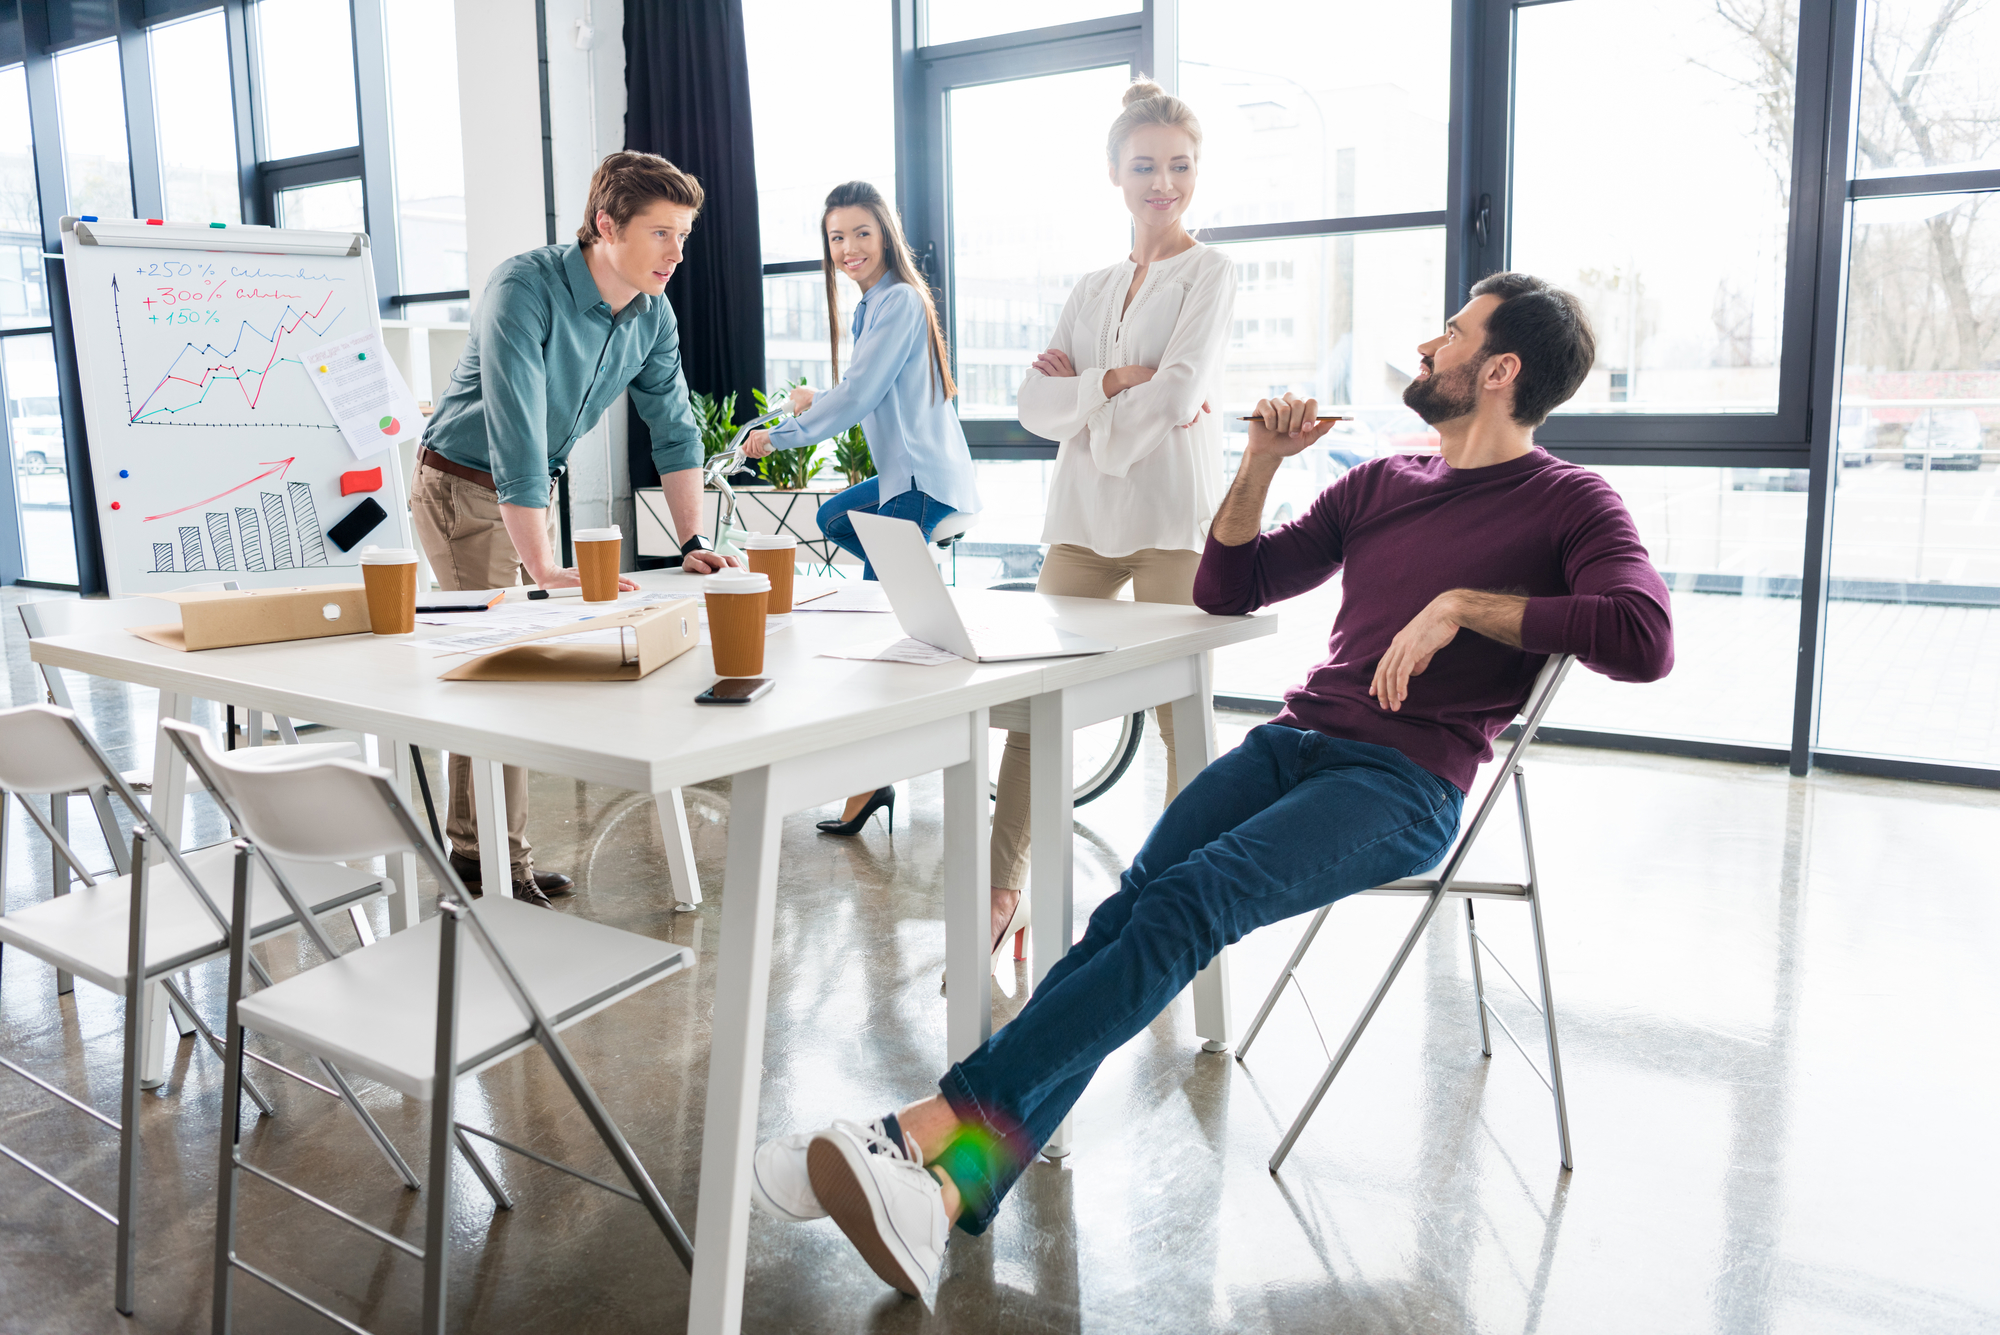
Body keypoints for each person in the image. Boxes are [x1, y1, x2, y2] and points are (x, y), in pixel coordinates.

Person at [747, 272, 1674, 1304]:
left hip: (1404, 781)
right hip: (1296, 743)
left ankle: (912, 1134)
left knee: (1189, 900)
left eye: (1449, 333)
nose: (1427, 344)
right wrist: (1258, 463)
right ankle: (956, 1188)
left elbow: (1642, 638)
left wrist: (1462, 604)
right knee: (1133, 907)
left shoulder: (1569, 502)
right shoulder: (1383, 483)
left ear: (1497, 371)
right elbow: (1226, 585)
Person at [411, 151, 734, 909]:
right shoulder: (525, 288)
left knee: (516, 671)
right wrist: (544, 567)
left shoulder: (651, 314)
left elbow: (676, 429)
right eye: (661, 233)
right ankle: (490, 862)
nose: (678, 254)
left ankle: (480, 851)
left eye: (685, 234)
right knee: (500, 672)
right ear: (606, 225)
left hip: (522, 494)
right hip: (463, 483)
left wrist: (691, 541)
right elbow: (515, 439)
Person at [986, 79, 1237, 971]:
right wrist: (1110, 386)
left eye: (1177, 165)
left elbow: (1178, 388)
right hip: (1082, 519)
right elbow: (1032, 402)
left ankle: (1174, 899)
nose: (1161, 181)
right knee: (1034, 706)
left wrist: (1092, 402)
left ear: (1196, 171)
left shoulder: (1211, 272)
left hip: (1172, 517)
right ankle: (1000, 890)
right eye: (1144, 166)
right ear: (1114, 173)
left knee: (1183, 718)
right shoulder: (1091, 287)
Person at [740, 180, 980, 838]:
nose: (849, 248)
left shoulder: (898, 299)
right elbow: (865, 389)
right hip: (903, 479)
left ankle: (870, 779)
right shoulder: (875, 306)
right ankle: (919, 600)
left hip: (922, 484)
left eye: (861, 234)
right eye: (837, 237)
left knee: (880, 640)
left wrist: (781, 436)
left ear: (885, 236)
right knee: (832, 519)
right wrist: (814, 396)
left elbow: (860, 394)